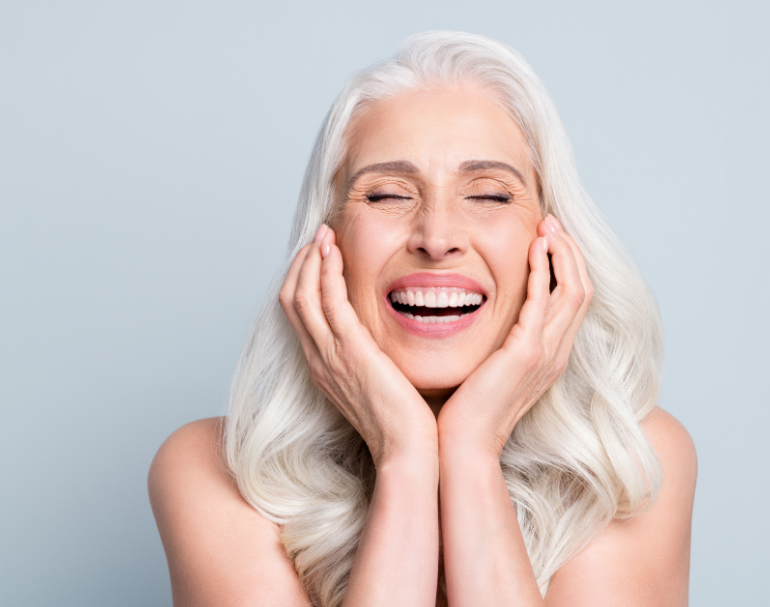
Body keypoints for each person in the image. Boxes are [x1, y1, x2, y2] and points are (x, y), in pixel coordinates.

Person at [148, 31, 697, 607]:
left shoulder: (629, 460)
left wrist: (469, 447)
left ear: (553, 239)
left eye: (489, 195)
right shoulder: (211, 471)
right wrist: (405, 453)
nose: (437, 238)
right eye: (387, 196)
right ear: (325, 239)